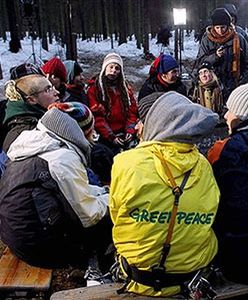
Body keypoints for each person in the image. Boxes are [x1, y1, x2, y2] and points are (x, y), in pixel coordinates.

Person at [109, 91, 220, 297]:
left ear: (157, 122)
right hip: (190, 276)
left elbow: (117, 216)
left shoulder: (126, 161)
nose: (138, 127)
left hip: (138, 277)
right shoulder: (203, 165)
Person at [0, 102, 112, 270]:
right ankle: (97, 270)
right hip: (41, 249)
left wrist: (102, 192)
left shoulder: (34, 146)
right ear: (83, 132)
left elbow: (70, 191)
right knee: (111, 219)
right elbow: (89, 215)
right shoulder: (62, 160)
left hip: (18, 237)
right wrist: (114, 198)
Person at [208, 83, 248, 285]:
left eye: (230, 110)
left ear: (240, 115)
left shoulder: (224, 149)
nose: (225, 116)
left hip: (235, 256)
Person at [87, 53, 138, 184]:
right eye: (111, 67)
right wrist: (111, 136)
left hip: (124, 133)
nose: (113, 71)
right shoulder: (95, 88)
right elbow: (98, 117)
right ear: (105, 68)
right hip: (104, 135)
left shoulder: (125, 89)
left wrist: (130, 130)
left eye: (117, 68)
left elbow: (132, 112)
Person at [195, 8, 248, 101]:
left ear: (228, 25)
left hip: (234, 83)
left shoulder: (239, 39)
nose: (220, 31)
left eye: (223, 27)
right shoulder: (207, 40)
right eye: (217, 27)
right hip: (213, 83)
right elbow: (200, 62)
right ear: (213, 27)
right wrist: (215, 56)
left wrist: (242, 80)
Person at [1, 73, 59, 152]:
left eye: (53, 87)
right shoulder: (24, 135)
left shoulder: (42, 119)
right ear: (31, 100)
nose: (57, 92)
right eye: (48, 89)